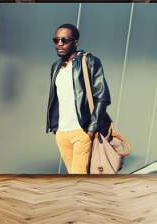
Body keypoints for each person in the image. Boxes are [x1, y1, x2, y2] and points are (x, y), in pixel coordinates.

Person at [46, 23, 112, 174]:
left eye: (64, 40)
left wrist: (90, 129)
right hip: (62, 133)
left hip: (81, 131)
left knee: (78, 177)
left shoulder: (89, 61)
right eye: (56, 40)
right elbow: (55, 99)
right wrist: (55, 128)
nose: (60, 44)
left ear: (75, 42)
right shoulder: (56, 67)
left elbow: (102, 96)